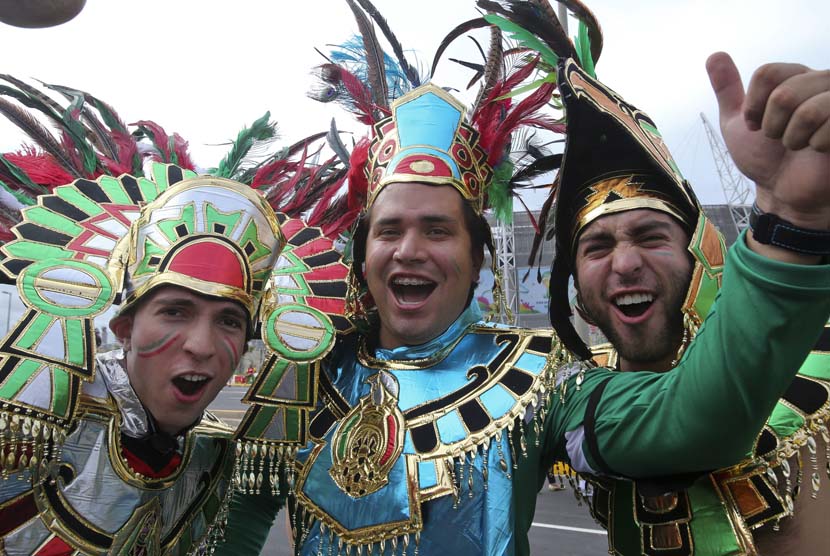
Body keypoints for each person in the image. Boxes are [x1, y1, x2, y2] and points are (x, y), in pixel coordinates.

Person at [220, 44, 829, 553]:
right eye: (389, 230)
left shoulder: (542, 379)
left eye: (437, 230)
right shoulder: (301, 372)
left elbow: (698, 424)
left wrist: (790, 224)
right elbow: (234, 530)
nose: (409, 250)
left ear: (477, 257)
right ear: (365, 254)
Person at [544, 51, 830, 555]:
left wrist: (790, 217)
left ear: (701, 252)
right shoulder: (561, 394)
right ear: (578, 293)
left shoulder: (816, 345)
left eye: (650, 236)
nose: (625, 262)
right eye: (598, 247)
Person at [0, 164, 288, 554]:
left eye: (229, 320)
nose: (201, 346)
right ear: (124, 329)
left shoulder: (215, 453)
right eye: (175, 311)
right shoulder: (28, 422)